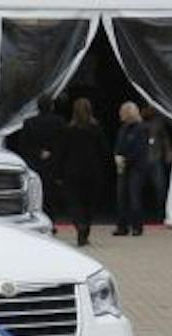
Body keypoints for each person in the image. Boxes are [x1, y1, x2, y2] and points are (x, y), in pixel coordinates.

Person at [57, 98, 112, 246]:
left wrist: (58, 172)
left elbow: (62, 152)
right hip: (93, 171)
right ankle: (85, 229)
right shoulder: (96, 129)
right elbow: (105, 151)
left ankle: (79, 224)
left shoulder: (69, 130)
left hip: (72, 171)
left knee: (74, 202)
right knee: (89, 203)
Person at [113, 101, 150, 236]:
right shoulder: (123, 129)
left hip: (136, 168)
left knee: (134, 197)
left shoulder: (141, 129)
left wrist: (126, 159)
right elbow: (118, 145)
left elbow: (140, 150)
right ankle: (122, 226)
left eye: (122, 112)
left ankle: (137, 226)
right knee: (121, 197)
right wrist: (117, 156)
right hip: (123, 167)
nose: (120, 115)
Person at [140, 104, 172, 222]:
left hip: (155, 158)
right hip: (141, 160)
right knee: (139, 188)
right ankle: (139, 214)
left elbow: (165, 138)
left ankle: (160, 213)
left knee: (160, 187)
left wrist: (168, 152)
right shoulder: (138, 123)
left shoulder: (158, 123)